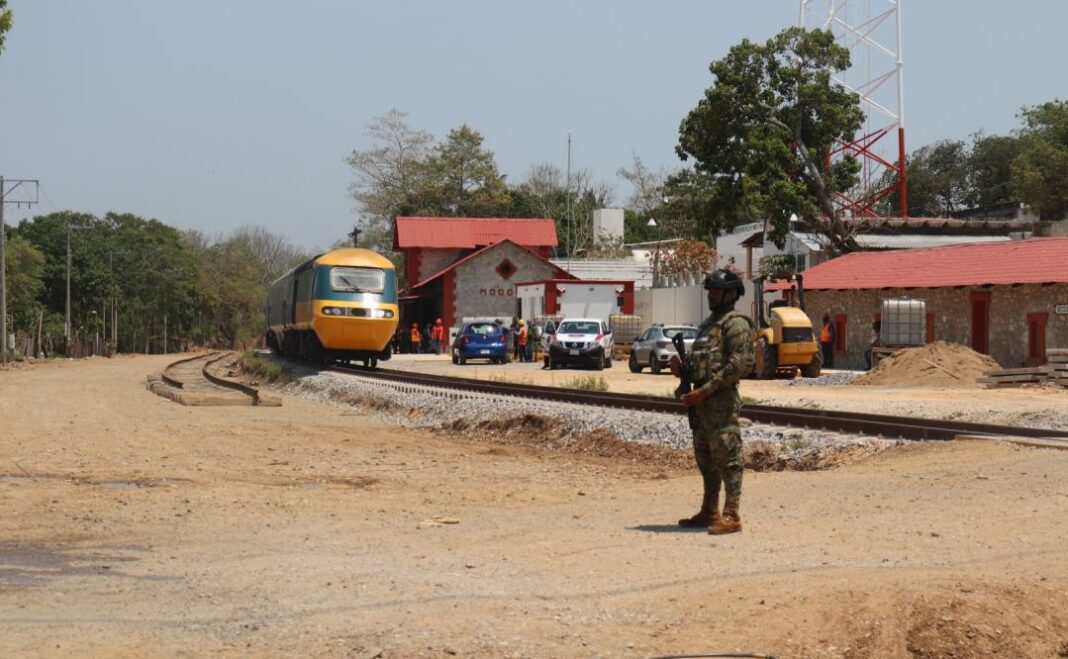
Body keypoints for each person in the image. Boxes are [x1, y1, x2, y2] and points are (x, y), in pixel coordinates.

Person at [670, 269, 755, 535]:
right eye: (709, 290)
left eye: (716, 291)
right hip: (701, 404)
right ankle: (710, 510)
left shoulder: (736, 324)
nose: (711, 295)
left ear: (730, 294)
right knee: (705, 459)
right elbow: (703, 363)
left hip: (720, 402)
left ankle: (732, 515)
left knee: (728, 459)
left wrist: (705, 391)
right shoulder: (708, 325)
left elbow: (739, 365)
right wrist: (682, 372)